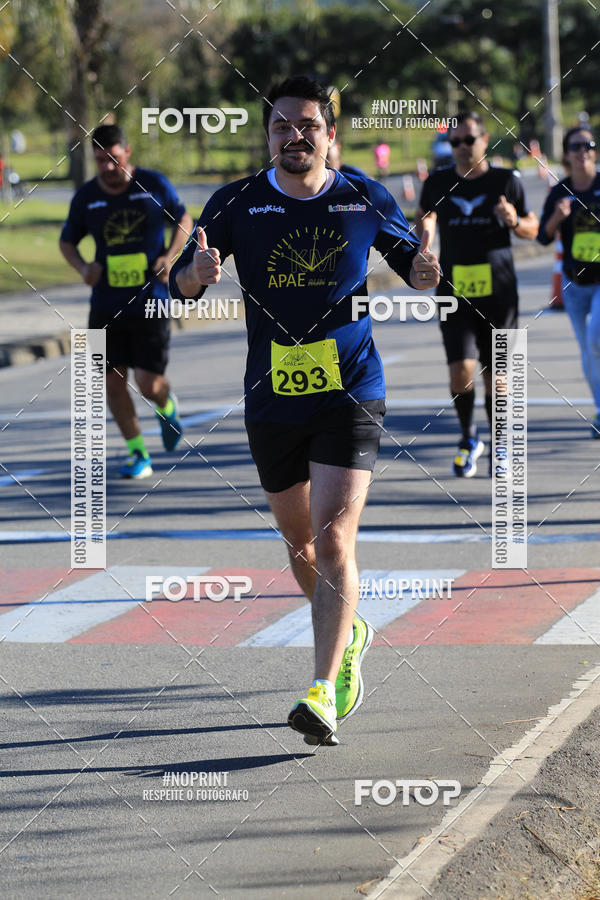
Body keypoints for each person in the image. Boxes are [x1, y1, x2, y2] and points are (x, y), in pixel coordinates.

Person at [170, 75, 440, 745]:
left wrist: (427, 269)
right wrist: (193, 278)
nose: (294, 136)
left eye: (307, 125)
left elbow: (413, 264)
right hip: (271, 399)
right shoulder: (237, 203)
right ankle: (350, 634)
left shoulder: (362, 197)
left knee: (332, 539)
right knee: (298, 546)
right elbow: (179, 283)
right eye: (281, 126)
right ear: (270, 136)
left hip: (351, 390)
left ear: (330, 136)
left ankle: (320, 691)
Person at [60, 124, 193, 477]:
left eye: (113, 159)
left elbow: (183, 218)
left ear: (127, 152)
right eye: (100, 160)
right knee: (112, 384)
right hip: (104, 307)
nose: (107, 167)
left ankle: (167, 404)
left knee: (149, 385)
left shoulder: (152, 184)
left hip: (151, 302)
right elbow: (66, 242)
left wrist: (169, 256)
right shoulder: (87, 197)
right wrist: (82, 268)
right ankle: (138, 454)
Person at [416, 111, 538, 477]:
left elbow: (532, 229)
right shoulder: (437, 182)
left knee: (497, 377)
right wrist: (425, 238)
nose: (461, 148)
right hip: (455, 294)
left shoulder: (505, 181)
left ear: (485, 141)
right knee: (460, 373)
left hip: (500, 295)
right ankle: (469, 437)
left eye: (468, 140)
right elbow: (425, 218)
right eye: (455, 142)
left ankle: (501, 444)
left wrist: (514, 220)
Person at [538, 126, 600, 438]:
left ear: (594, 151)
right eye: (575, 147)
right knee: (588, 353)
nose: (582, 151)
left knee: (595, 340)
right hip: (575, 284)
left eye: (588, 145)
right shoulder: (560, 192)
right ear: (566, 154)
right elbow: (542, 237)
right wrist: (557, 218)